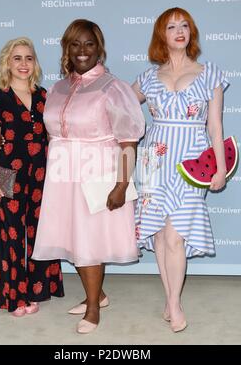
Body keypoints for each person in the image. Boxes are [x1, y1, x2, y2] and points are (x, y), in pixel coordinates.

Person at [32, 19, 145, 333]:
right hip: (62, 174)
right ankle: (99, 295)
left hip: (97, 171)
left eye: (89, 44)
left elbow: (128, 140)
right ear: (66, 49)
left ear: (100, 48)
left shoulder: (113, 87)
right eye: (75, 44)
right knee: (74, 238)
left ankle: (94, 308)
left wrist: (122, 184)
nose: (82, 51)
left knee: (90, 239)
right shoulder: (58, 87)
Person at [133, 7, 229, 332]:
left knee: (176, 235)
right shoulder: (148, 77)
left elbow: (215, 127)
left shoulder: (210, 73)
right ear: (162, 34)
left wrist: (220, 166)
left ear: (191, 32)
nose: (179, 31)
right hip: (154, 160)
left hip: (191, 161)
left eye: (184, 25)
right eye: (171, 26)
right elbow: (121, 106)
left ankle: (174, 302)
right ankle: (171, 298)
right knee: (160, 235)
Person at [0, 37, 64, 317]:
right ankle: (13, 296)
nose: (23, 64)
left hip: (41, 173)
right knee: (11, 237)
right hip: (6, 174)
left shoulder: (44, 96)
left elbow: (53, 137)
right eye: (17, 58)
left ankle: (36, 291)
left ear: (35, 63)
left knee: (40, 234)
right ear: (8, 62)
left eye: (28, 58)